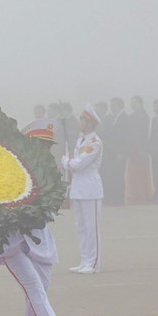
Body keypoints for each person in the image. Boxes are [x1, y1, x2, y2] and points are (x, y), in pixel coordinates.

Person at [0, 119, 88, 316]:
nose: (45, 150)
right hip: (13, 242)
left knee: (35, 312)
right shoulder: (8, 167)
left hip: (41, 244)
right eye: (40, 144)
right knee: (35, 289)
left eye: (48, 145)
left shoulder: (51, 173)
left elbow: (51, 208)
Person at [62, 104, 103, 274]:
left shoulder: (95, 142)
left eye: (82, 119)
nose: (79, 121)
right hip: (78, 187)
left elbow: (78, 164)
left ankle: (93, 263)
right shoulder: (80, 141)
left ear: (90, 123)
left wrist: (65, 161)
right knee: (81, 227)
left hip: (90, 187)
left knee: (91, 228)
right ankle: (84, 260)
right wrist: (68, 162)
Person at [125, 96, 152, 204]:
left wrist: (143, 148)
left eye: (135, 103)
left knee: (142, 172)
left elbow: (145, 134)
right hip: (132, 148)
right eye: (132, 103)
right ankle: (133, 193)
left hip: (141, 148)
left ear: (141, 103)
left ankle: (143, 193)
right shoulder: (130, 117)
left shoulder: (145, 117)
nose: (133, 105)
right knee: (132, 172)